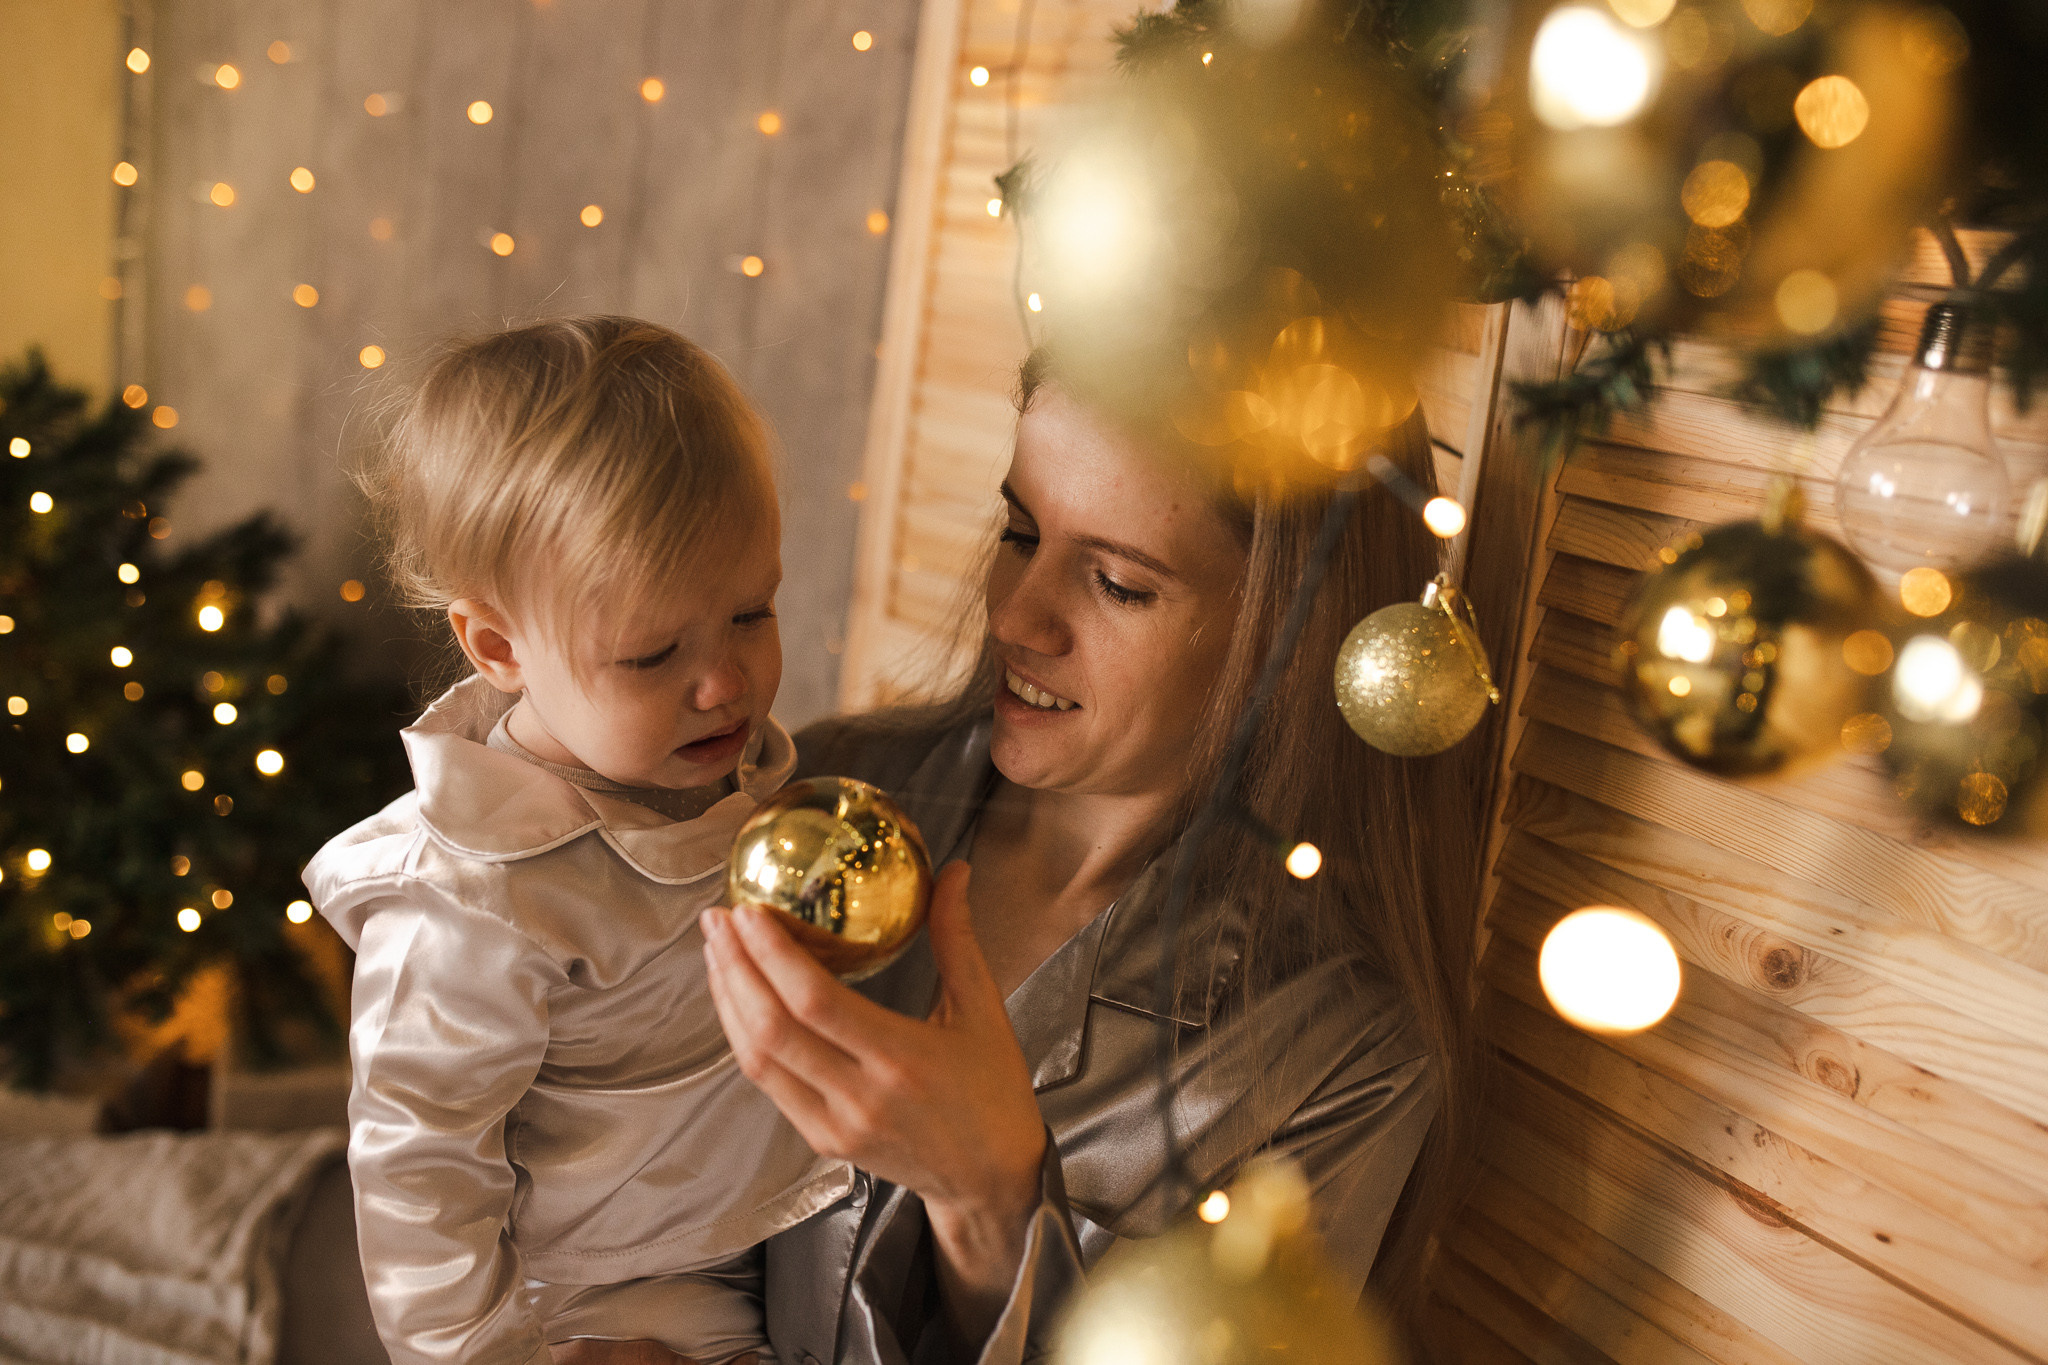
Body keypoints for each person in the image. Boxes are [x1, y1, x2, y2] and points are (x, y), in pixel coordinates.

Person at [695, 352, 1483, 1364]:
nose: (1015, 617)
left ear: (1287, 635)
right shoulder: (825, 796)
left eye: (1117, 583)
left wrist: (993, 1207)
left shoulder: (1344, 1056)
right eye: (1020, 532)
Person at [303, 317, 850, 1365]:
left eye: (752, 613)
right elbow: (418, 1172)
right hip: (612, 1298)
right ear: (499, 646)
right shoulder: (474, 898)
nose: (723, 682)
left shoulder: (706, 760)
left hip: (783, 1215)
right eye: (652, 654)